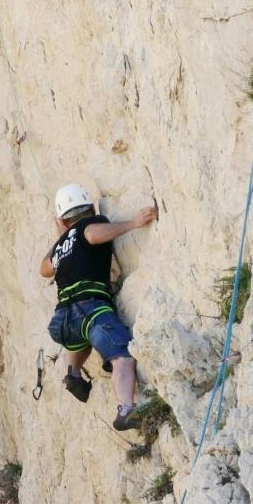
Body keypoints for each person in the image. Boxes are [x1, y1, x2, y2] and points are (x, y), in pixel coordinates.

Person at [41, 183, 158, 430]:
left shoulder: (61, 245)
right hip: (91, 308)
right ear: (92, 208)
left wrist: (61, 238)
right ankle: (126, 409)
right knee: (122, 356)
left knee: (79, 341)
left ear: (63, 221)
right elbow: (93, 235)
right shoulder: (91, 224)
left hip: (63, 320)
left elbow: (44, 269)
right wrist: (133, 223)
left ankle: (73, 372)